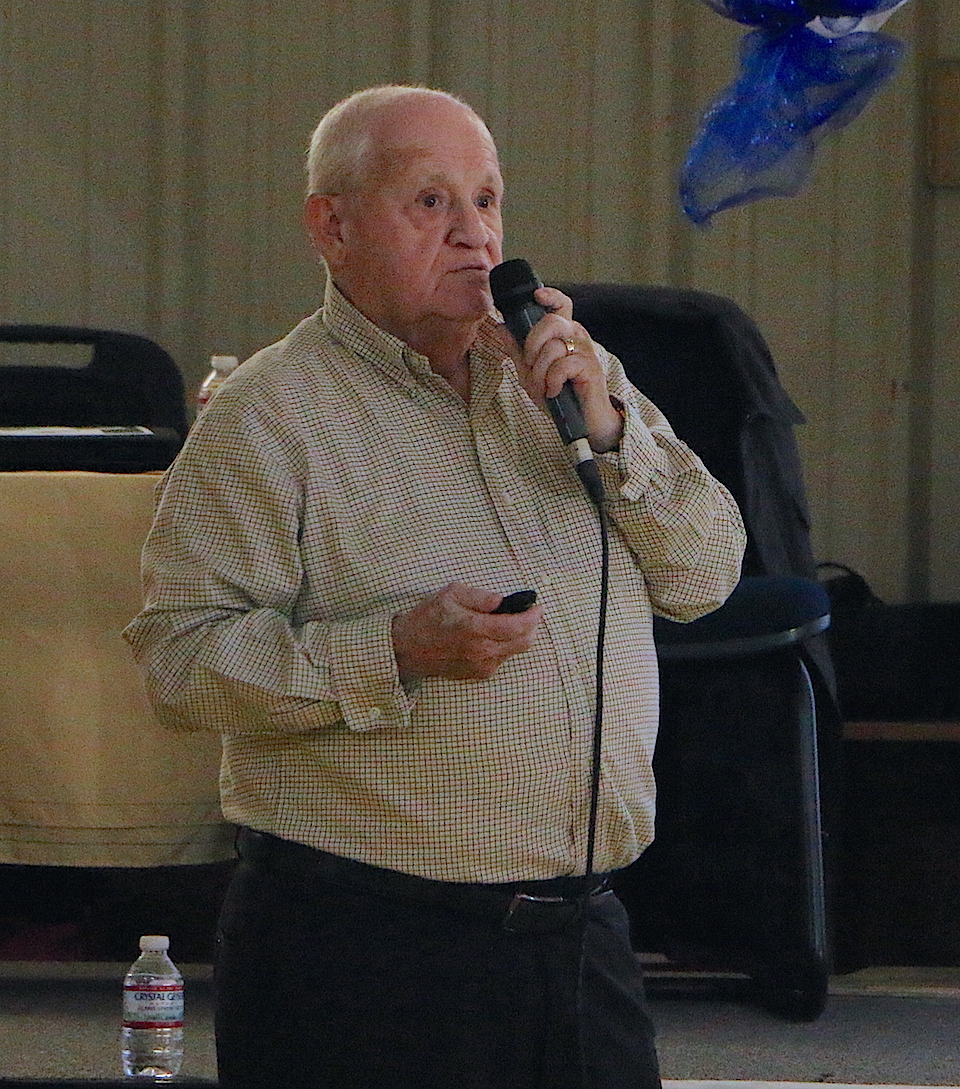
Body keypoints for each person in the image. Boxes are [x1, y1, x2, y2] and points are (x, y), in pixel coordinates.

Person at [124, 85, 745, 1089]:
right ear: (332, 227)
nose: (475, 235)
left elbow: (707, 577)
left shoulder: (571, 381)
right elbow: (180, 663)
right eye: (430, 202)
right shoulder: (269, 415)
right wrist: (395, 651)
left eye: (487, 200)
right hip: (362, 950)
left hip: (578, 940)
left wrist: (612, 429)